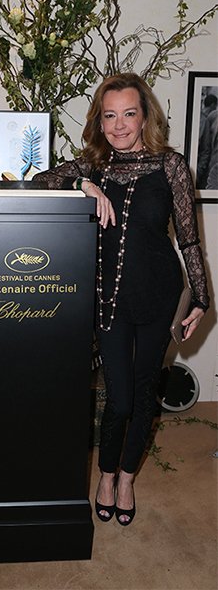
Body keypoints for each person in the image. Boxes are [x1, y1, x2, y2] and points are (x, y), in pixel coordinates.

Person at [33, 73, 209, 526]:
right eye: (109, 116)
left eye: (129, 114)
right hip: (108, 301)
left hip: (158, 297)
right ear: (100, 120)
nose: (119, 125)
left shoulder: (171, 166)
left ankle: (126, 478)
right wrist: (83, 186)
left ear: (145, 115)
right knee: (120, 400)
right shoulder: (94, 165)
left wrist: (201, 297)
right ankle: (105, 474)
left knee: (145, 392)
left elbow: (189, 239)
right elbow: (39, 181)